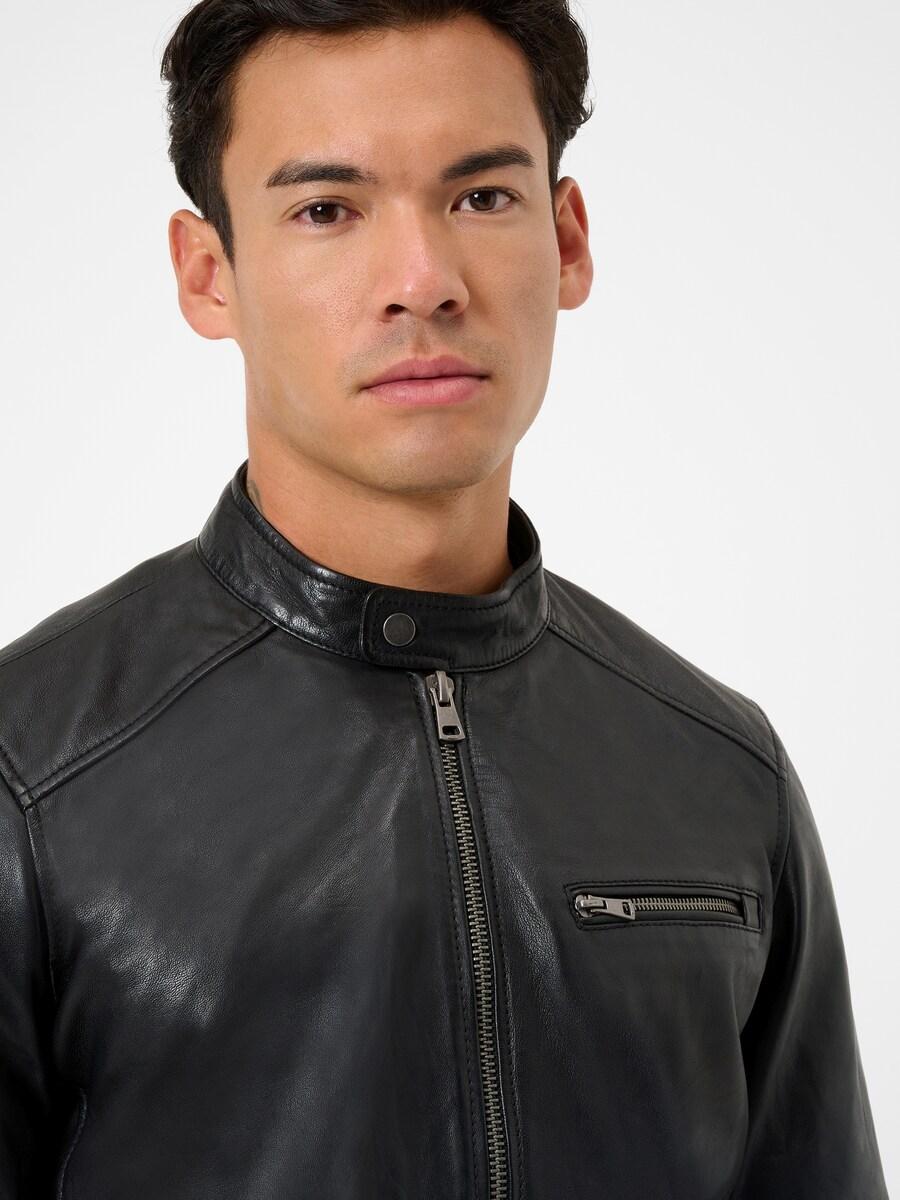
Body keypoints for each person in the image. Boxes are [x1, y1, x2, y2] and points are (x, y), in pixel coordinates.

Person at [0, 1, 889, 1196]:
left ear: (567, 241)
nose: (422, 282)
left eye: (480, 197)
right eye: (327, 209)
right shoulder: (30, 774)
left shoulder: (724, 772)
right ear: (209, 275)